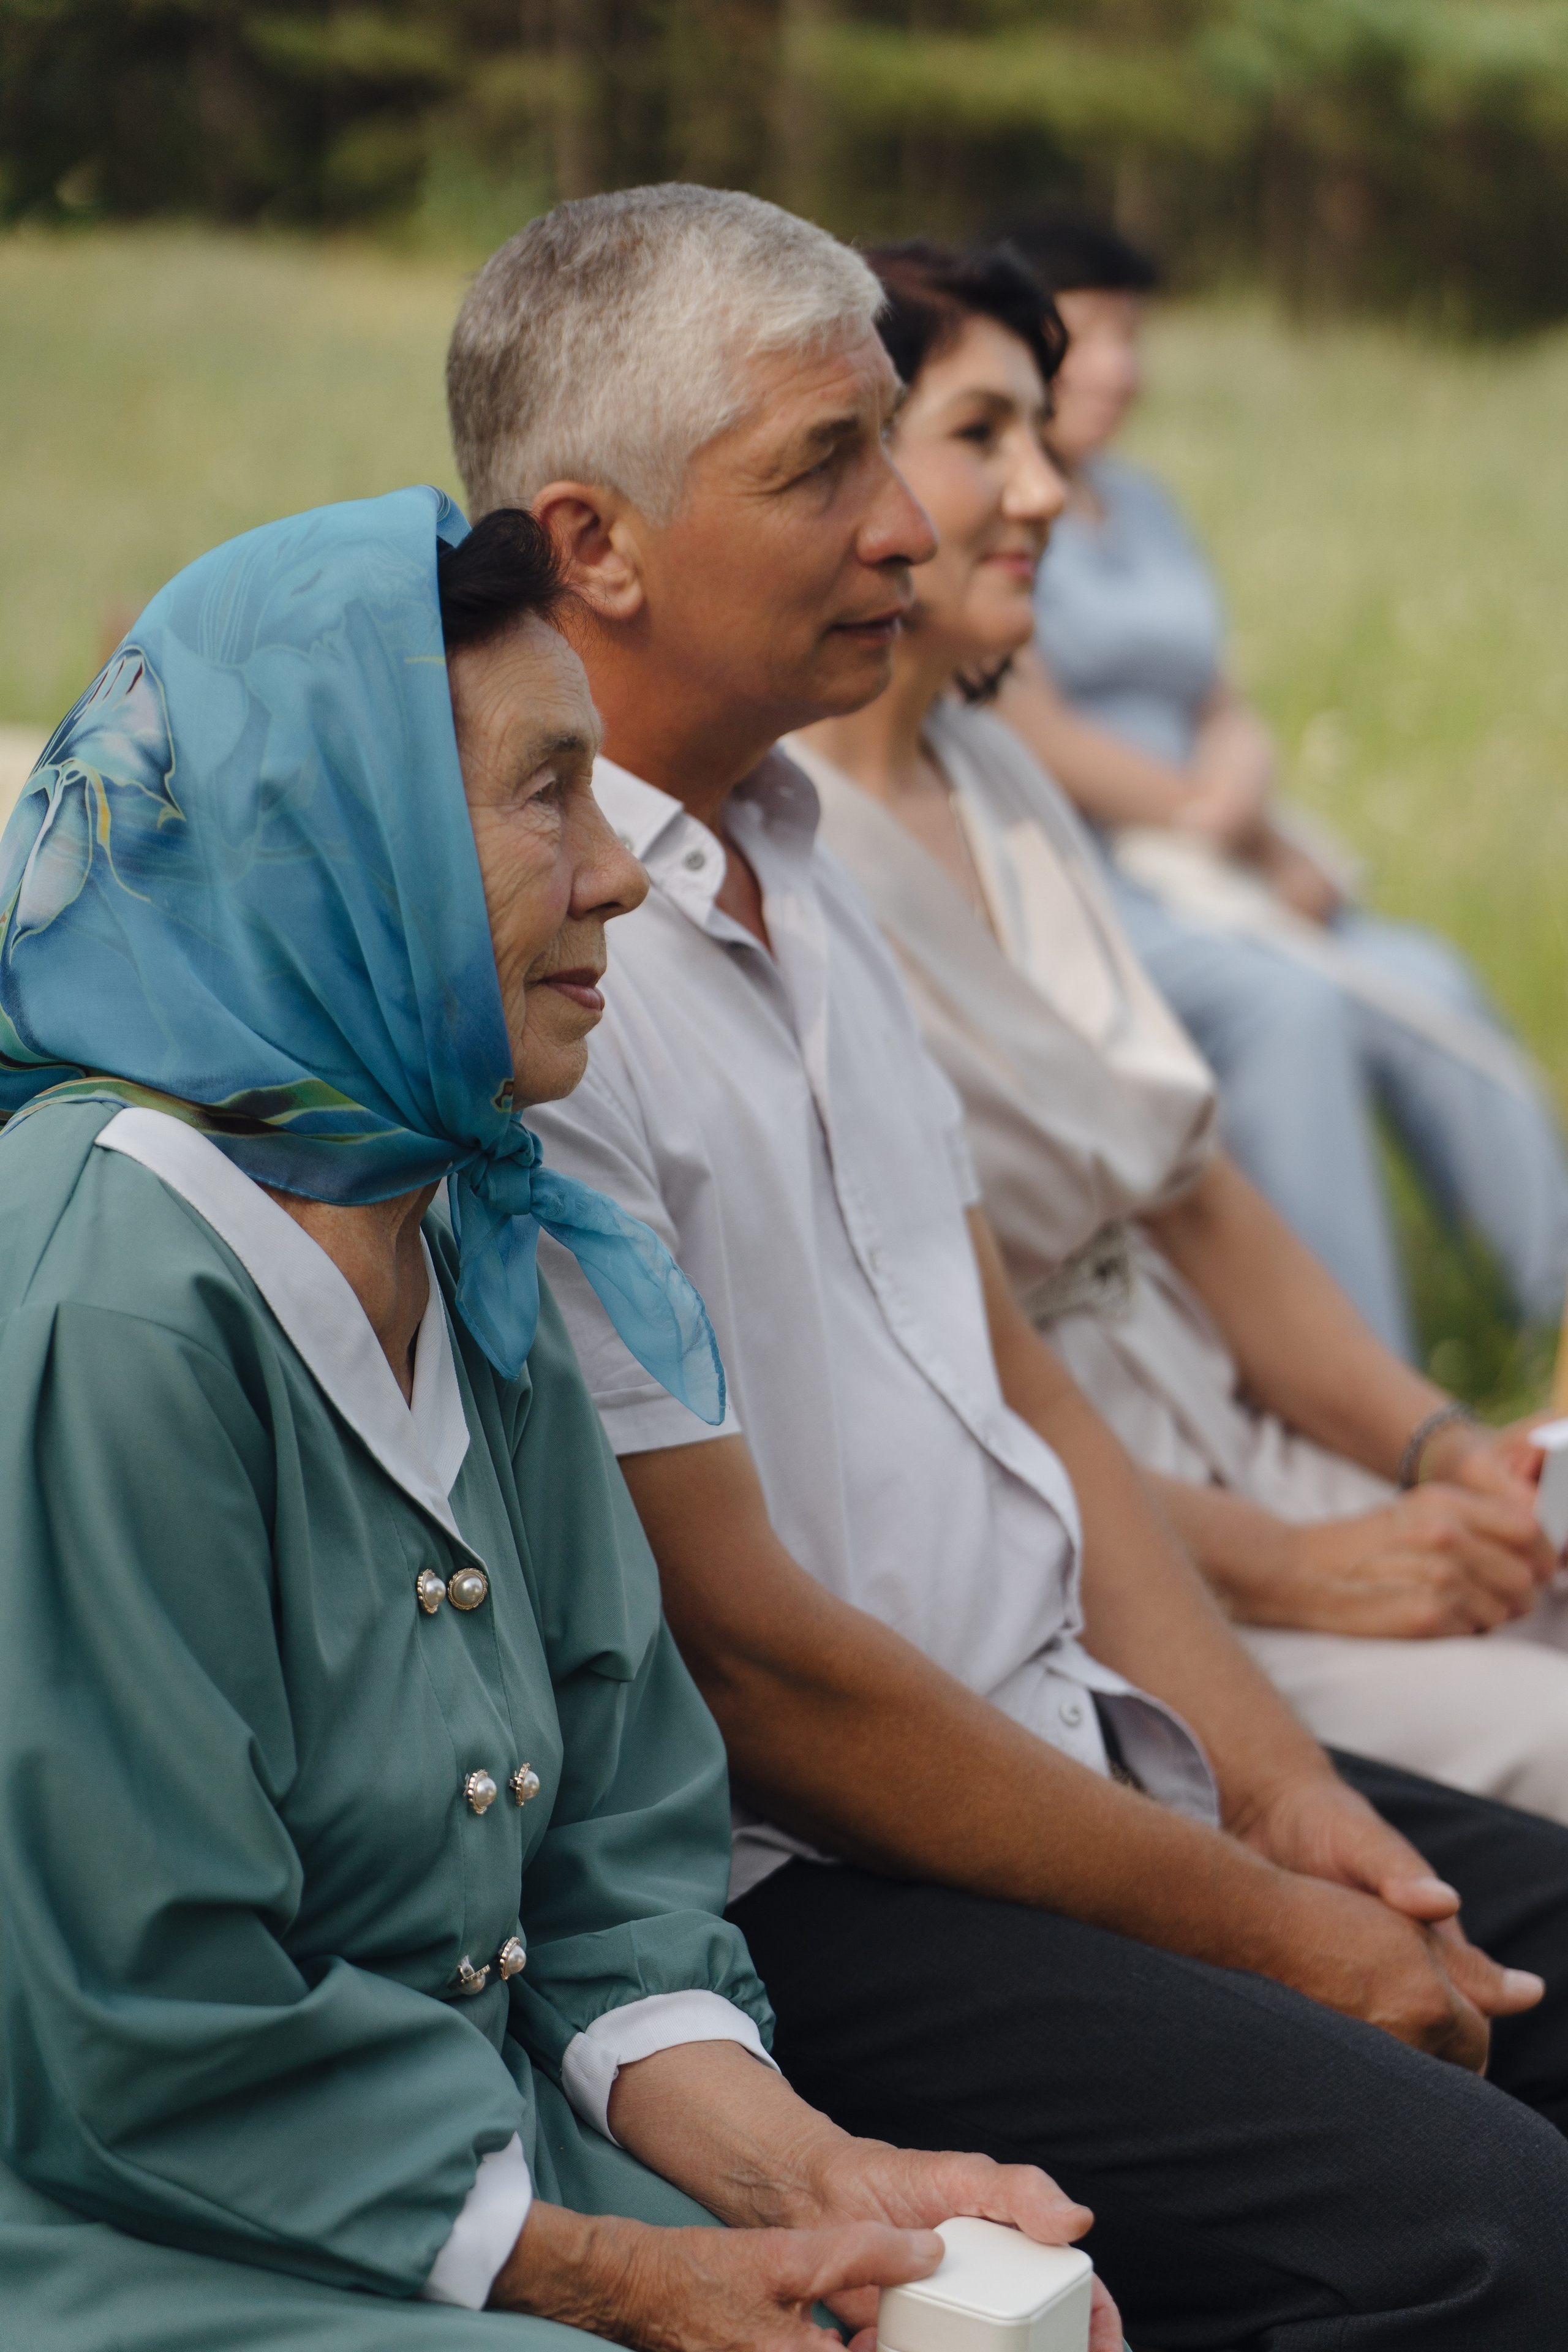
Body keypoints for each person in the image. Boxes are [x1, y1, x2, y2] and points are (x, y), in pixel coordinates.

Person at [448, 181, 1568, 2350]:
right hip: (828, 1888)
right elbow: (761, 1679)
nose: (917, 524)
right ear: (595, 542)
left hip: (1082, 1746)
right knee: (1484, 2236)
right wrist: (1257, 1915)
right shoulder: (545, 967)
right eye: (828, 465)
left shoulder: (794, 843)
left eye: (901, 446)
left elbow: (1021, 1382)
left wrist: (1291, 1796)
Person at [0, 489, 1121, 2352]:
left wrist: (812, 2179)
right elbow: (137, 2020)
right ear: (325, 838)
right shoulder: (113, 1299)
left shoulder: (457, 1216)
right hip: (145, 2229)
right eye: (546, 795)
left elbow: (609, 1858)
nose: (616, 874)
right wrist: (642, 2279)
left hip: (450, 2178)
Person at [789, 237, 1568, 1825]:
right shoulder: (777, 861)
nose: (1052, 493)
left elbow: (1199, 1198)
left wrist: (1435, 1454)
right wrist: (1313, 1568)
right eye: (985, 433)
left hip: (1228, 1428)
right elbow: (921, 1413)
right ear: (850, 464)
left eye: (1048, 438)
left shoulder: (997, 779)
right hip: (1091, 1546)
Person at [991, 210, 1568, 1360]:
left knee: (1428, 980)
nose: (1119, 367)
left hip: (1220, 851)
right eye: (1090, 335)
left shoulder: (1145, 505)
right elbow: (1033, 727)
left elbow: (1222, 699)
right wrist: (1205, 819)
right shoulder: (1001, 514)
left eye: (1134, 337)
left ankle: (1553, 1302)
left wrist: (1246, 820)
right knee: (1289, 1008)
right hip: (1095, 879)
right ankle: (1372, 1392)